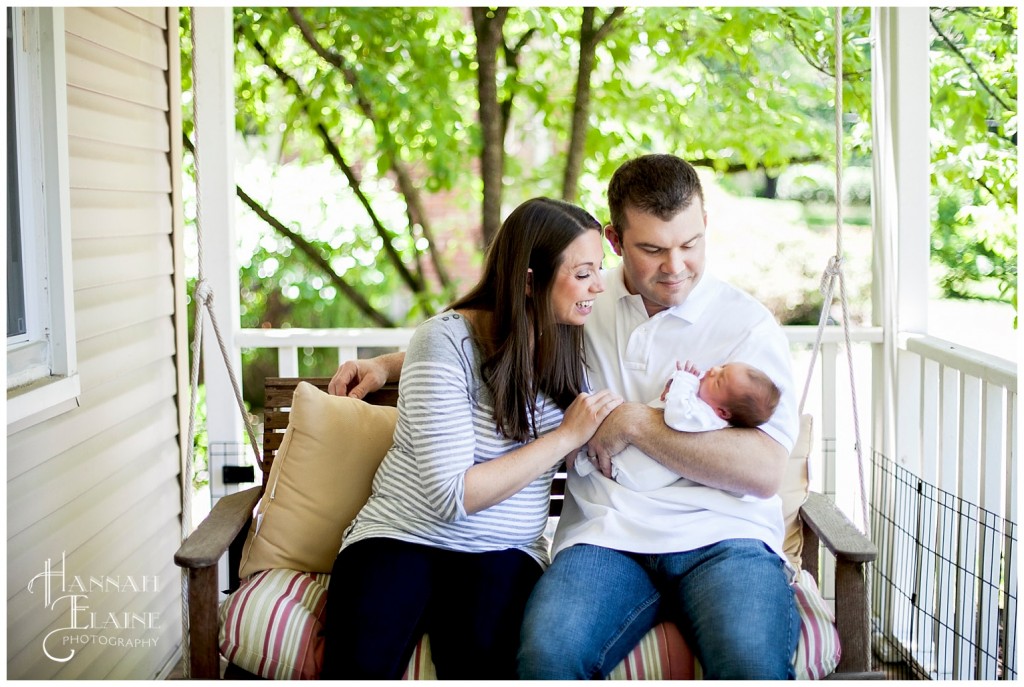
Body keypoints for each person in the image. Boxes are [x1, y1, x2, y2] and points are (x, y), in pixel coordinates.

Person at [330, 154, 801, 679]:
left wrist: (634, 422)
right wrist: (388, 364)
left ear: (706, 225)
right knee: (548, 656)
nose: (675, 266)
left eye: (690, 244)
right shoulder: (580, 300)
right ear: (616, 241)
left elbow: (763, 473)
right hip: (606, 536)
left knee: (750, 663)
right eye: (652, 249)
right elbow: (484, 332)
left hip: (725, 537)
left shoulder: (747, 327)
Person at [319, 197, 622, 679]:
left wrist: (385, 364)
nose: (599, 285)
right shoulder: (444, 342)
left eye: (599, 269)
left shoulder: (571, 337)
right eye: (584, 273)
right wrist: (566, 437)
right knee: (360, 667)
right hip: (403, 535)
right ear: (528, 280)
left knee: (482, 660)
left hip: (505, 553)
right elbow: (451, 496)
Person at [573, 359, 781, 491]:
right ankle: (579, 457)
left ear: (723, 412)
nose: (713, 370)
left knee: (607, 450)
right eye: (722, 367)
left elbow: (676, 418)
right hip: (637, 465)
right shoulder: (704, 403)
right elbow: (673, 399)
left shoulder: (708, 419)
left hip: (637, 474)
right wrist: (675, 383)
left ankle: (578, 459)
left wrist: (684, 380)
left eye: (719, 380)